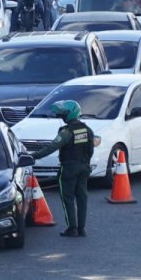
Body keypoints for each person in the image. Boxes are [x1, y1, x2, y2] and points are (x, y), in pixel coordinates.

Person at [30, 100, 96, 237]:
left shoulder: (66, 132)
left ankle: (72, 228)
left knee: (68, 198)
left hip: (69, 168)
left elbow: (52, 147)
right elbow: (90, 150)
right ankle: (81, 228)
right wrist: (85, 163)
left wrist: (33, 156)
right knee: (82, 198)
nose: (61, 116)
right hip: (84, 167)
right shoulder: (87, 129)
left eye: (62, 114)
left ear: (68, 115)